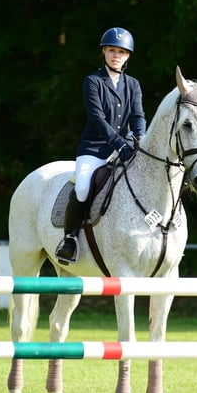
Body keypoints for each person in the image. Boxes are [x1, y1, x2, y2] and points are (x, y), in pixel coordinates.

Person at [54, 27, 146, 265]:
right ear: (104, 52)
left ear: (128, 57)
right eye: (112, 50)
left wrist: (140, 140)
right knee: (83, 188)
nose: (116, 55)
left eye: (121, 52)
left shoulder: (133, 84)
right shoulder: (93, 82)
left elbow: (137, 116)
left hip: (125, 148)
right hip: (94, 149)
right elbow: (97, 120)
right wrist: (119, 143)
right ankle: (70, 239)